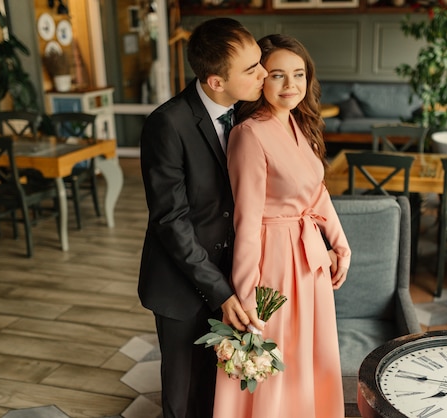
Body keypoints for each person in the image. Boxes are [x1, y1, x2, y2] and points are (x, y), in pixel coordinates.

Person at [213, 34, 351, 418]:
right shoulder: (249, 135)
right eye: (278, 75)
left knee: (310, 352)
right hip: (275, 261)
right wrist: (244, 294)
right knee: (277, 354)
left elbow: (316, 191)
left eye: (299, 74)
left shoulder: (300, 123)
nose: (291, 85)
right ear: (260, 79)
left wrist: (340, 244)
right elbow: (247, 220)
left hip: (310, 260)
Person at [137, 18, 268, 418]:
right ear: (215, 81)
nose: (263, 73)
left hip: (234, 278)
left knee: (221, 389)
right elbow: (170, 220)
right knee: (182, 394)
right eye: (251, 69)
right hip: (181, 284)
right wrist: (220, 292)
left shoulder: (249, 113)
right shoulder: (167, 124)